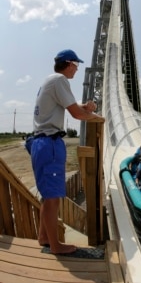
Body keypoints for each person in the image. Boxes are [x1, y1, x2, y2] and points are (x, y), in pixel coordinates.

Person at [31, 49, 105, 255]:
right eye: (76, 65)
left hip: (41, 142)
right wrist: (96, 116)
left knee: (48, 195)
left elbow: (71, 106)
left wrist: (86, 107)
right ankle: (55, 245)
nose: (77, 69)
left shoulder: (51, 80)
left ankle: (44, 237)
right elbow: (76, 114)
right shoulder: (61, 81)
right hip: (50, 143)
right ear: (69, 63)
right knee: (53, 197)